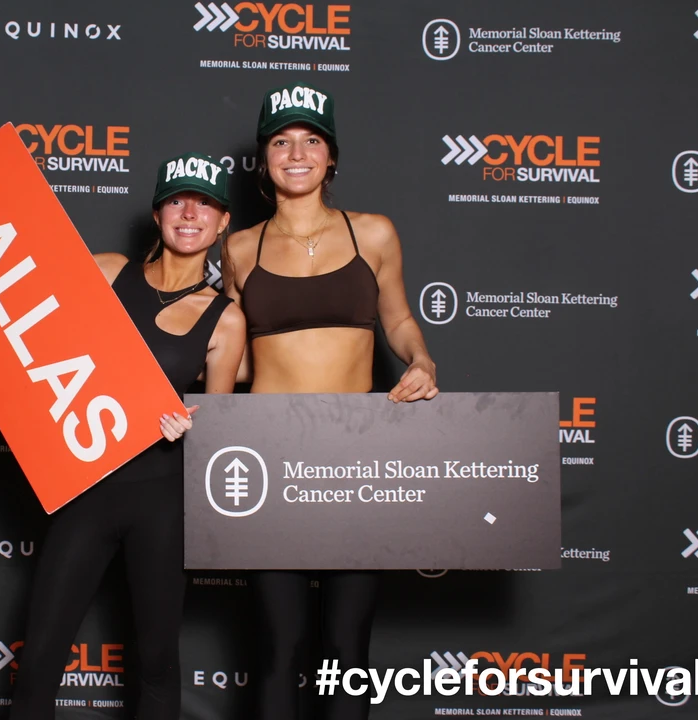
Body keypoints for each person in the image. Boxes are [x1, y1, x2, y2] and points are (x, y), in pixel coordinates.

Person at [0, 135, 246, 719]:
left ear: (222, 223)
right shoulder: (108, 272)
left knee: (158, 661)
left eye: (204, 204)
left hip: (163, 502)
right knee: (40, 657)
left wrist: (192, 426)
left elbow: (219, 425)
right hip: (87, 491)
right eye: (177, 201)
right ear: (157, 212)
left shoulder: (225, 316)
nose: (190, 214)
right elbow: (24, 292)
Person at [221, 82, 439, 719]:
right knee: (280, 646)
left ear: (331, 156)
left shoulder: (373, 233)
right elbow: (224, 358)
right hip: (268, 459)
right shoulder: (238, 248)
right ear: (264, 159)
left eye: (311, 140)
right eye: (281, 141)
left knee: (347, 651)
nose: (296, 153)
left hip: (355, 459)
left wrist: (421, 360)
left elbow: (398, 322)